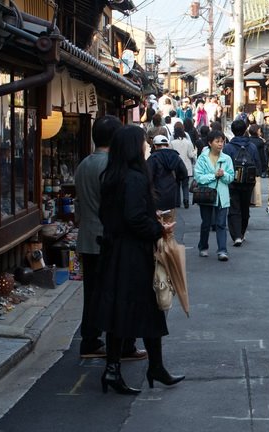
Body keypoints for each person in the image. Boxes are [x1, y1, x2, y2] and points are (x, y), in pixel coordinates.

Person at [96, 125, 184, 394]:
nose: (145, 146)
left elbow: (113, 215)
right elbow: (134, 218)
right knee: (146, 307)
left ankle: (121, 369)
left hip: (115, 251)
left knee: (121, 310)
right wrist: (158, 228)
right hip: (133, 254)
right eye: (141, 143)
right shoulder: (133, 178)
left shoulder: (111, 176)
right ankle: (147, 367)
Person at [74, 116, 147, 362]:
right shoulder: (112, 166)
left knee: (92, 293)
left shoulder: (84, 163)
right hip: (108, 238)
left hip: (86, 236)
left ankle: (90, 340)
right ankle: (123, 345)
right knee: (117, 294)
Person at [194, 129, 235, 261]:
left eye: (222, 141)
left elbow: (231, 177)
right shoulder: (202, 158)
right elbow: (199, 177)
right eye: (217, 141)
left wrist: (224, 175)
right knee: (206, 223)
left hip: (222, 196)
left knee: (221, 224)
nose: (220, 144)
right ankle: (203, 246)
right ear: (210, 143)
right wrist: (214, 175)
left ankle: (222, 251)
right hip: (206, 194)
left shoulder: (226, 158)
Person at [222, 119, 263, 246]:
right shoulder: (251, 146)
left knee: (234, 207)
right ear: (245, 130)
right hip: (248, 182)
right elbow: (257, 164)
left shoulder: (228, 147)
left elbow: (223, 165)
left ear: (233, 131)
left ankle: (236, 236)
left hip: (233, 181)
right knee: (245, 207)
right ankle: (242, 232)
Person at [147, 135, 188, 219]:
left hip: (156, 197)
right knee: (170, 225)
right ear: (167, 145)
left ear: (155, 146)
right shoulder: (175, 156)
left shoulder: (153, 158)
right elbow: (184, 173)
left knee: (157, 226)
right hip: (171, 196)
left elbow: (148, 177)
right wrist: (176, 180)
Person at [170, 123, 197, 209]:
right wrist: (195, 152)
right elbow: (191, 155)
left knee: (177, 184)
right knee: (185, 185)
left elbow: (170, 154)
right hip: (186, 167)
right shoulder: (188, 143)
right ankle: (186, 200)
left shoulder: (172, 143)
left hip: (176, 166)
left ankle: (177, 202)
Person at [247, 123, 267, 206]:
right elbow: (262, 156)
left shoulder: (247, 140)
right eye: (259, 130)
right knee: (254, 183)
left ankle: (248, 199)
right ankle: (254, 200)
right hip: (256, 164)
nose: (260, 132)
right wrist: (264, 167)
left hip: (248, 164)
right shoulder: (260, 142)